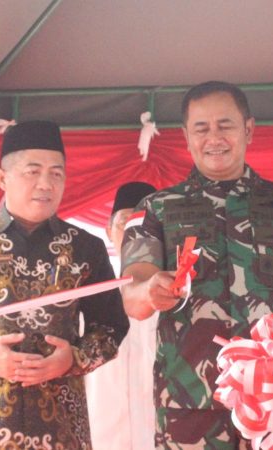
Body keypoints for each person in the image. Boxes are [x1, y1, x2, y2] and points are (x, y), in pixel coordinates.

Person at [120, 81, 273, 450]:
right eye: (201, 128)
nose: (214, 138)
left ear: (249, 130)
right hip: (189, 404)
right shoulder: (154, 209)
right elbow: (133, 295)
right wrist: (150, 291)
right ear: (186, 136)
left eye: (225, 125)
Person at [0, 120, 130, 449]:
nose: (46, 184)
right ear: (2, 178)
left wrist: (73, 358)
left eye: (56, 173)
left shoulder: (86, 248)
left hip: (61, 425)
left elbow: (111, 327)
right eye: (33, 172)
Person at [85, 181, 157, 449]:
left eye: (144, 224)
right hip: (101, 433)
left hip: (162, 434)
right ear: (108, 231)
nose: (134, 233)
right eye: (126, 222)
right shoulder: (89, 293)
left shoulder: (178, 295)